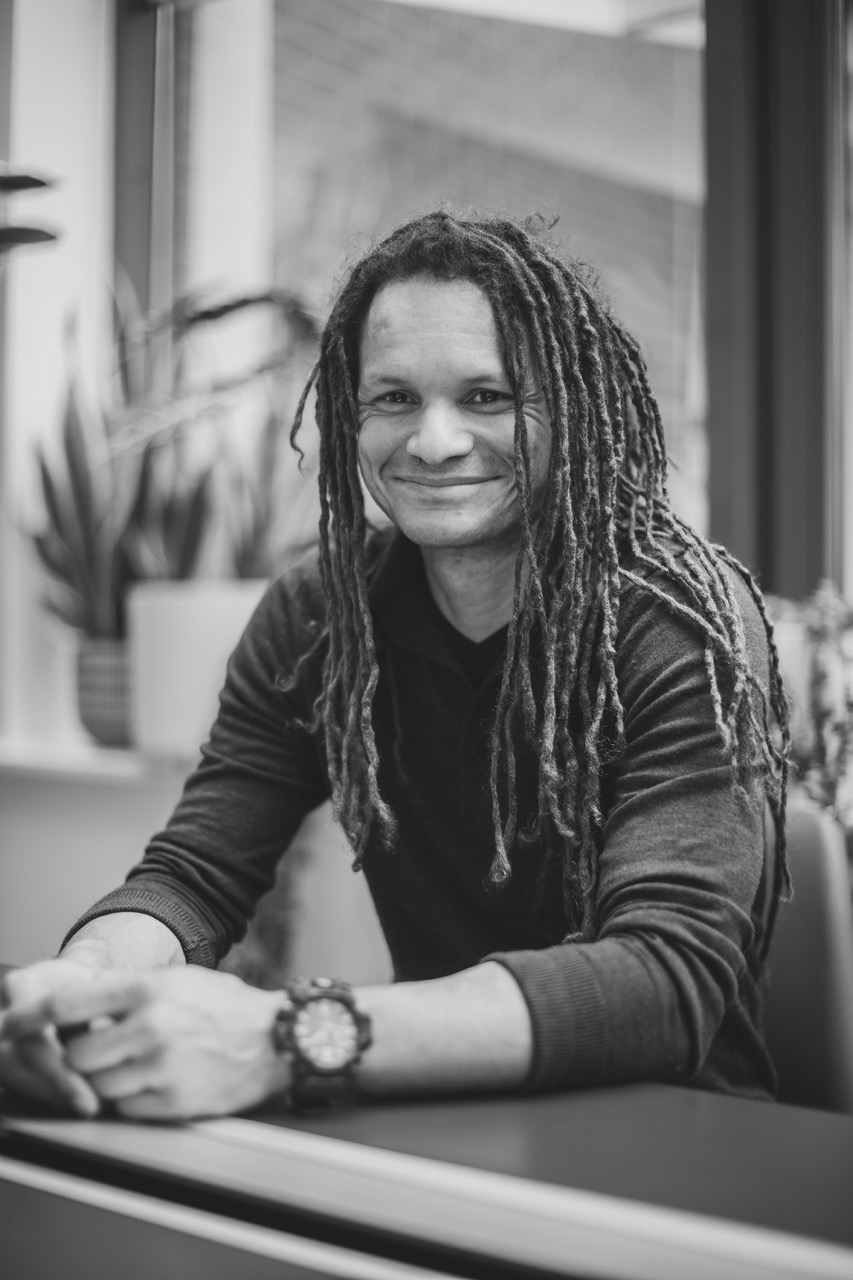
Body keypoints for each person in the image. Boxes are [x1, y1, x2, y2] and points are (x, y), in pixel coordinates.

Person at [0, 210, 789, 1121]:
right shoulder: (319, 616)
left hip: (678, 1140)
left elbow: (664, 980)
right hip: (433, 1111)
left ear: (569, 408)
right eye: (394, 398)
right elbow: (194, 875)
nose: (434, 441)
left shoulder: (679, 619)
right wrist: (77, 990)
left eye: (488, 396)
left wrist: (286, 1037)